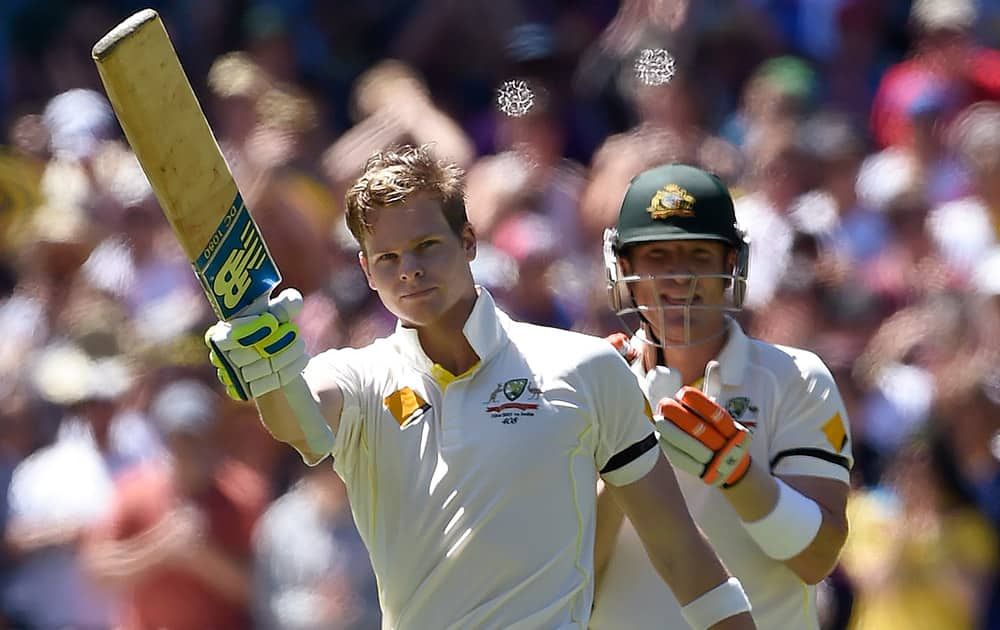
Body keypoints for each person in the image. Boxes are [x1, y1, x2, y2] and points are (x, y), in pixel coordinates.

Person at [205, 144, 756, 629]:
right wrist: (268, 372)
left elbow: (680, 548)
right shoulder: (361, 376)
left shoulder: (585, 366)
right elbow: (297, 418)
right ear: (367, 271)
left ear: (468, 241)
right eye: (389, 258)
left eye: (426, 246)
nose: (410, 270)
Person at [591, 163, 853, 629]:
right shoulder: (591, 386)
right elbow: (564, 577)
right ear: (623, 267)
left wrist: (738, 475)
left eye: (698, 255)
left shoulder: (795, 378)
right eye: (658, 257)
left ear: (731, 264)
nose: (679, 277)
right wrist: (628, 444)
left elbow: (817, 559)